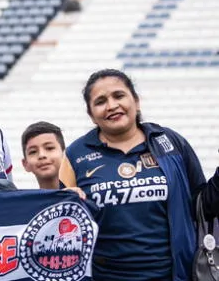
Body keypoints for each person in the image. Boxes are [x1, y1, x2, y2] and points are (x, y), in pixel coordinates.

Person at [59, 68, 219, 281]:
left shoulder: (170, 142)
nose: (112, 106)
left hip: (173, 275)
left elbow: (202, 204)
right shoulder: (74, 154)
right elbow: (64, 226)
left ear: (136, 101)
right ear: (91, 115)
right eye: (100, 101)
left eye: (119, 95)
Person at [20, 121, 87, 198]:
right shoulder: (28, 205)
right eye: (33, 152)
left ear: (65, 155)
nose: (42, 155)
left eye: (49, 148)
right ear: (25, 164)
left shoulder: (83, 194)